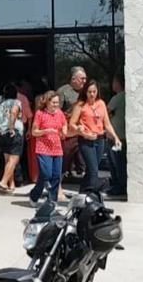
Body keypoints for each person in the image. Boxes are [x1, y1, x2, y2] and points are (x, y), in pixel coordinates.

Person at [69, 80, 123, 192]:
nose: (92, 94)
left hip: (100, 140)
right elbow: (72, 124)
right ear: (85, 92)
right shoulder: (80, 105)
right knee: (93, 171)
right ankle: (93, 193)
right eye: (89, 92)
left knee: (91, 170)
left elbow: (107, 123)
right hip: (86, 140)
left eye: (94, 91)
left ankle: (83, 192)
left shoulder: (101, 103)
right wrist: (81, 131)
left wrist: (115, 137)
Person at [29, 91, 67, 203]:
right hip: (43, 147)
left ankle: (52, 201)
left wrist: (64, 131)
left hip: (56, 148)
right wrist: (46, 131)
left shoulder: (60, 113)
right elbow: (34, 132)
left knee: (56, 176)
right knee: (46, 173)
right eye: (54, 102)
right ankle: (35, 194)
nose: (56, 105)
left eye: (57, 102)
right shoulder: (40, 113)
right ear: (47, 102)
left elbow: (64, 123)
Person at [56, 66, 87, 199]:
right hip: (68, 132)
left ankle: (86, 189)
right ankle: (58, 188)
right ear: (73, 79)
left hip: (83, 131)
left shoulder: (87, 92)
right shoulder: (63, 91)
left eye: (85, 79)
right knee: (64, 160)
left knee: (85, 161)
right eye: (82, 78)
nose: (84, 81)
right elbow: (56, 111)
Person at [0, 84, 24, 193]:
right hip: (13, 132)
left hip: (1, 133)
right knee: (13, 160)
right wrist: (11, 127)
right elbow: (13, 112)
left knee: (7, 160)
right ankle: (3, 182)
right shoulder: (16, 102)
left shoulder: (1, 104)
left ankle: (11, 184)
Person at [107, 73, 127, 197]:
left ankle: (118, 186)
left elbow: (106, 112)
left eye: (114, 81)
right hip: (124, 135)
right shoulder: (128, 96)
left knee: (116, 163)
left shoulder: (118, 97)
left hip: (116, 135)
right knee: (121, 162)